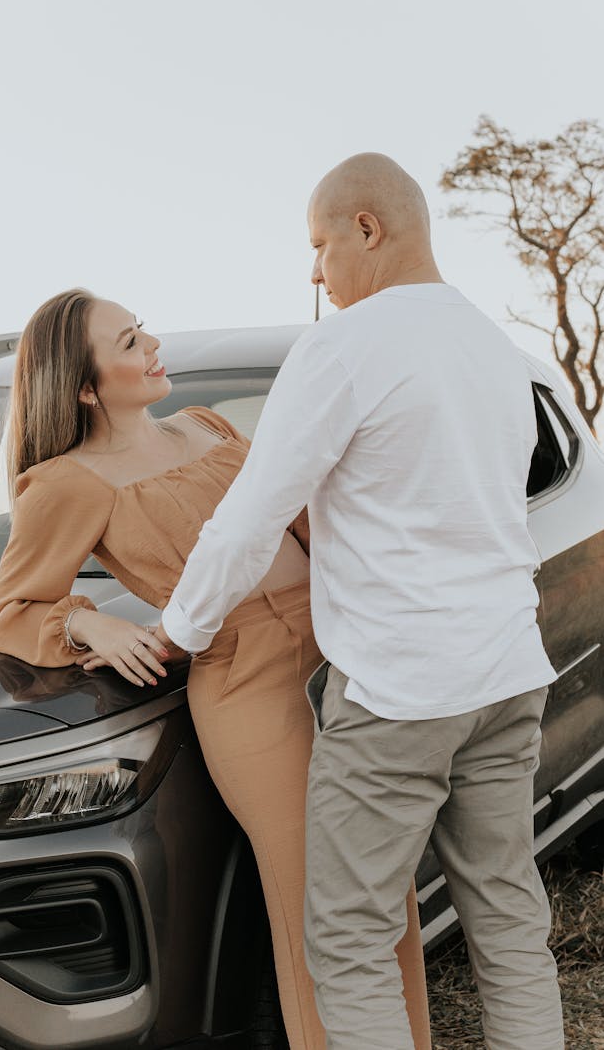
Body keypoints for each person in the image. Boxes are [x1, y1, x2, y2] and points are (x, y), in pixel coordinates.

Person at [156, 154, 566, 1049]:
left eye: (319, 244)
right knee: (506, 920)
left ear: (367, 229)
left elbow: (249, 518)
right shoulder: (493, 348)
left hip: (400, 691)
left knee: (344, 940)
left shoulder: (344, 346)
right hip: (504, 670)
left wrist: (177, 630)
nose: (314, 270)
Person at [0, 288, 431, 1050]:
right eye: (129, 341)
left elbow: (306, 521)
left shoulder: (207, 426)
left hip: (339, 652)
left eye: (141, 326)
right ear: (87, 386)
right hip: (247, 686)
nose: (153, 343)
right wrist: (86, 617)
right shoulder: (66, 482)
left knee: (385, 885)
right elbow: (13, 607)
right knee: (318, 908)